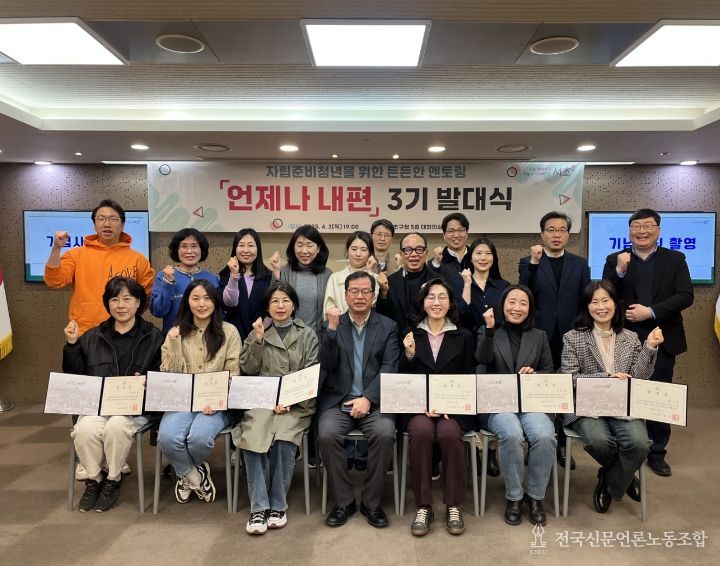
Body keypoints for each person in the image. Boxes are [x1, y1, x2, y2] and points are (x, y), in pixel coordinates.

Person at [602, 208, 694, 477]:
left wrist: (651, 311)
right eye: (636, 226)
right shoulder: (616, 259)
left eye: (648, 226)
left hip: (662, 337)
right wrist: (619, 271)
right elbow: (604, 295)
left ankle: (657, 453)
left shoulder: (675, 259)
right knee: (624, 392)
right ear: (629, 231)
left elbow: (685, 295)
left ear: (658, 230)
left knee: (658, 394)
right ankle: (626, 449)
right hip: (624, 338)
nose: (642, 231)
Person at [561, 280, 664, 513]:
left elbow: (639, 377)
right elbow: (569, 379)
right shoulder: (573, 337)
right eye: (594, 302)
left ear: (615, 304)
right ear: (587, 307)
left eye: (605, 300)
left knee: (640, 444)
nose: (601, 307)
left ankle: (609, 480)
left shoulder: (631, 337)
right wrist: (606, 378)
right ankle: (624, 477)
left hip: (622, 405)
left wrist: (649, 347)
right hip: (588, 406)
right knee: (597, 441)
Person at [63, 277, 164, 512]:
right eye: (114, 300)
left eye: (127, 299)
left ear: (138, 303)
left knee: (116, 426)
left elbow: (163, 376)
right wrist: (72, 344)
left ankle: (114, 478)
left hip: (135, 409)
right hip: (99, 406)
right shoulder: (93, 336)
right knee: (84, 428)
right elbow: (75, 375)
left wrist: (148, 382)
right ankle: (95, 478)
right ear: (107, 304)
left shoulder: (153, 337)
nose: (121, 305)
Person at [235, 282, 319, 535]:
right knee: (252, 438)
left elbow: (310, 374)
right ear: (267, 306)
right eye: (274, 301)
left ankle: (278, 506)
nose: (280, 306)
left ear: (294, 305)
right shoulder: (258, 331)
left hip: (296, 404)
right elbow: (248, 369)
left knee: (284, 439)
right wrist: (258, 340)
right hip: (263, 401)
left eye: (285, 301)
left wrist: (290, 400)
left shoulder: (307, 334)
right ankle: (258, 507)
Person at [318, 271, 399, 528]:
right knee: (327, 434)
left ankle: (371, 503)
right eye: (354, 291)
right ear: (345, 295)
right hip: (339, 401)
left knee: (385, 433)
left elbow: (389, 367)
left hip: (374, 402)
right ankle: (344, 502)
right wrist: (331, 330)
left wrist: (368, 398)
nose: (360, 296)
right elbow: (326, 364)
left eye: (366, 291)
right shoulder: (331, 324)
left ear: (373, 296)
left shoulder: (388, 326)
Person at [400, 278, 476, 537]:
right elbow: (402, 378)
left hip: (452, 408)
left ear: (451, 303)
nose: (436, 302)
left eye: (442, 297)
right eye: (431, 297)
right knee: (421, 431)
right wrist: (409, 354)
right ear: (423, 303)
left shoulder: (464, 336)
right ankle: (424, 506)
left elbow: (468, 376)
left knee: (449, 432)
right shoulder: (411, 334)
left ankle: (453, 504)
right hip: (418, 407)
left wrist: (449, 404)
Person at [475, 284, 556, 527]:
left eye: (523, 303)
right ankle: (514, 497)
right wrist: (490, 331)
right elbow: (481, 359)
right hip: (498, 403)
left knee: (545, 435)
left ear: (530, 308)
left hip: (531, 403)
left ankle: (535, 497)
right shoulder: (488, 330)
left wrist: (535, 374)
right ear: (503, 305)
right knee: (511, 434)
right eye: (512, 302)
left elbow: (549, 371)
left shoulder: (539, 336)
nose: (517, 308)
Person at [157, 279, 241, 505]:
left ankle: (185, 473)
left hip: (216, 404)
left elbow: (234, 373)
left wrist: (216, 400)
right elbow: (170, 374)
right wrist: (174, 342)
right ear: (187, 302)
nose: (201, 304)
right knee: (166, 438)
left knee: (199, 439)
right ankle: (194, 474)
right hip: (183, 401)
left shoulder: (229, 332)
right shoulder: (175, 333)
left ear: (215, 302)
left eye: (207, 298)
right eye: (195, 298)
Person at [518, 211, 590, 470]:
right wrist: (534, 264)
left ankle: (561, 444)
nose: (556, 235)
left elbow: (586, 300)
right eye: (551, 230)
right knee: (539, 389)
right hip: (539, 335)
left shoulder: (579, 264)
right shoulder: (528, 261)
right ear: (542, 234)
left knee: (566, 390)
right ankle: (536, 442)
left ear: (568, 235)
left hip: (570, 336)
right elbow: (524, 293)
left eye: (562, 230)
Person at [44, 199, 155, 335]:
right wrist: (56, 248)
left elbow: (147, 296)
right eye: (101, 219)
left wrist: (128, 318)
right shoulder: (76, 255)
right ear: (94, 225)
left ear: (122, 225)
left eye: (113, 219)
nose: (107, 224)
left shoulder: (138, 259)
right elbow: (54, 281)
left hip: (124, 333)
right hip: (84, 332)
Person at [150, 228, 219, 335]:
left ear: (202, 250)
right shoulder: (164, 276)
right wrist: (168, 283)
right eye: (184, 246)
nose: (189, 251)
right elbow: (158, 311)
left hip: (207, 337)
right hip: (174, 338)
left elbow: (218, 313)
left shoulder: (211, 278)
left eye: (194, 246)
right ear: (176, 250)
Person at [377, 233, 444, 339]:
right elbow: (383, 318)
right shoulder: (390, 282)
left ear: (426, 253)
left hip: (431, 341)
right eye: (408, 250)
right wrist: (384, 294)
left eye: (419, 249)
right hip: (397, 342)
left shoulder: (439, 282)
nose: (413, 254)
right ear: (401, 254)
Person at [275, 225, 332, 335]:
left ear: (318, 248)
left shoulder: (327, 275)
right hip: (288, 337)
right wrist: (276, 273)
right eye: (299, 245)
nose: (304, 251)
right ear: (293, 247)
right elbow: (273, 302)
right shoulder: (285, 271)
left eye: (309, 245)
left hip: (317, 338)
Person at [218, 228, 274, 341]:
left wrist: (259, 332)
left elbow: (272, 307)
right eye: (241, 245)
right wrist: (234, 276)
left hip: (262, 335)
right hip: (233, 337)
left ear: (258, 248)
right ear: (235, 248)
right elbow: (229, 303)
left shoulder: (268, 276)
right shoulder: (226, 274)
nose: (246, 250)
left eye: (251, 245)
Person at [457, 237, 510, 331]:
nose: (483, 258)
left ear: (493, 258)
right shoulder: (460, 285)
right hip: (469, 338)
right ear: (470, 258)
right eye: (478, 253)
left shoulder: (504, 286)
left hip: (497, 338)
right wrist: (467, 285)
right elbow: (460, 316)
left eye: (488, 253)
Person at [323, 230, 378, 316]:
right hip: (340, 323)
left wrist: (370, 273)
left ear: (370, 253)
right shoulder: (335, 278)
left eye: (363, 250)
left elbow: (372, 303)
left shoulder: (376, 278)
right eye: (354, 249)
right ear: (347, 251)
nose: (358, 254)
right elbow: (328, 310)